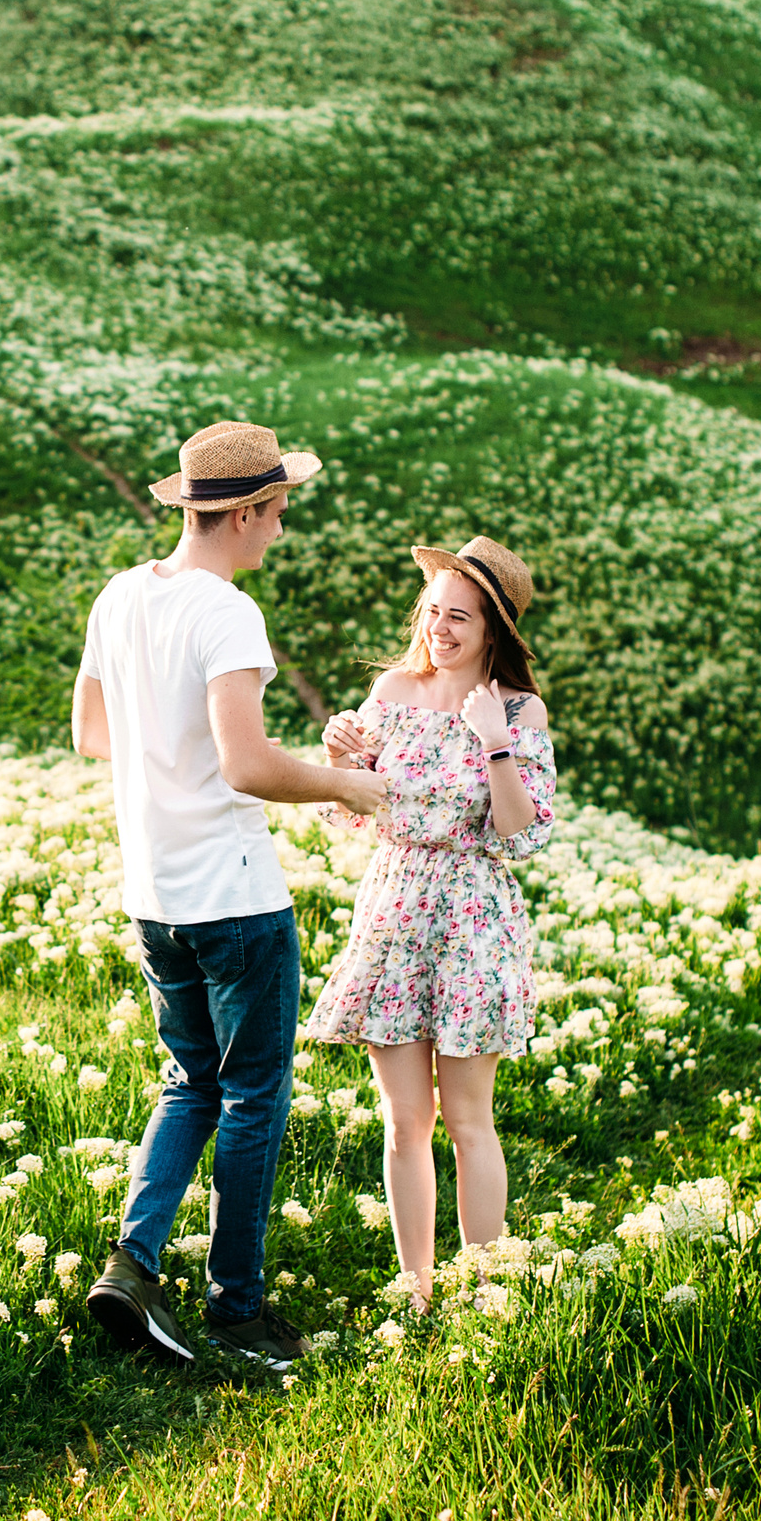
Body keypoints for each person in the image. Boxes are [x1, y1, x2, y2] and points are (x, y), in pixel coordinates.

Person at [73, 420, 388, 1372]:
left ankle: (132, 1263)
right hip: (235, 896)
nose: (279, 534)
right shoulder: (226, 614)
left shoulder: (122, 596)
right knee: (253, 1096)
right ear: (242, 512)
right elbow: (248, 766)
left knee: (189, 1083)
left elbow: (93, 733)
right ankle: (237, 1312)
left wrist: (169, 765)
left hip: (153, 893)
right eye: (277, 514)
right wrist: (346, 785)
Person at [307, 536, 555, 1306]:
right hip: (393, 911)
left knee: (468, 1121)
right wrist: (340, 755)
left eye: (459, 619)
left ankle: (486, 1288)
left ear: (494, 633)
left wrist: (495, 745)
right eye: (432, 612)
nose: (438, 630)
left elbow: (525, 832)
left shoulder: (518, 709)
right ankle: (415, 1287)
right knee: (404, 1121)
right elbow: (348, 807)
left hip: (474, 918)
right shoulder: (393, 689)